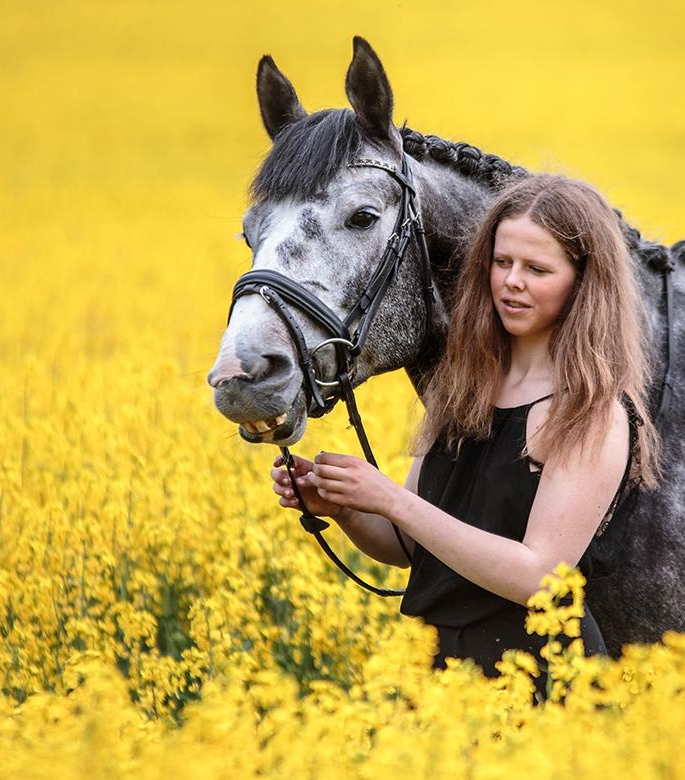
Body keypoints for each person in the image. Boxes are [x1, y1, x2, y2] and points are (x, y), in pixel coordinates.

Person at [270, 173, 662, 682]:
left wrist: (392, 500)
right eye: (502, 262)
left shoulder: (590, 410)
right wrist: (344, 507)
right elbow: (407, 546)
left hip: (538, 678)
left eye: (537, 269)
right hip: (439, 670)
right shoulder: (462, 386)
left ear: (583, 284)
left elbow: (539, 575)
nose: (511, 282)